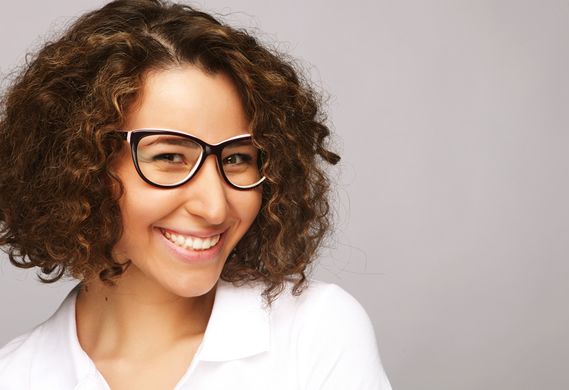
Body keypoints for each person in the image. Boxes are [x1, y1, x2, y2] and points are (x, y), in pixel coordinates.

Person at [0, 0, 391, 388]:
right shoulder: (15, 376)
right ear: (77, 164)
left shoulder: (315, 332)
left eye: (238, 157)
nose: (215, 206)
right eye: (169, 156)